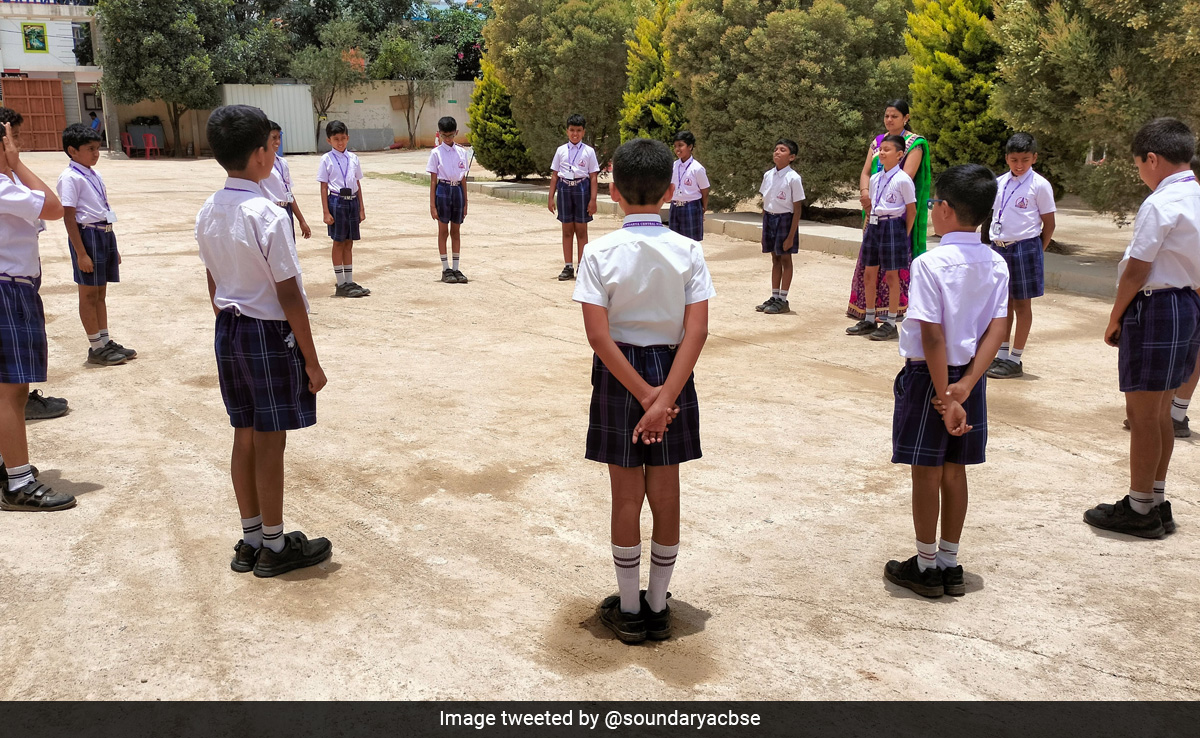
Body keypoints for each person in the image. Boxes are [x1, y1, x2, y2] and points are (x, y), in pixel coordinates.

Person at [573, 137, 715, 643]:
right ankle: (658, 605)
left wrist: (643, 396)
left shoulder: (597, 250)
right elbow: (696, 331)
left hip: (620, 375)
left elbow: (598, 335)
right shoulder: (688, 250)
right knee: (667, 494)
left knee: (626, 497)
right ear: (672, 190)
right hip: (673, 373)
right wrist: (664, 398)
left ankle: (630, 609)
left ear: (612, 190)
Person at [196, 104, 332, 576]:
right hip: (268, 332)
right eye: (271, 145)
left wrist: (229, 314)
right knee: (271, 440)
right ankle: (274, 545)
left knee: (244, 434)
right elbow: (290, 294)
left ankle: (251, 537)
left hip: (229, 328)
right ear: (259, 155)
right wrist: (312, 362)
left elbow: (212, 282)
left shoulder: (209, 209)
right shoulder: (267, 215)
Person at [884, 164, 1007, 598]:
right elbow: (997, 328)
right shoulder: (995, 261)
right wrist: (968, 385)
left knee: (927, 472)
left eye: (934, 203)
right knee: (956, 471)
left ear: (948, 211)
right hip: (971, 379)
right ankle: (951, 563)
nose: (932, 209)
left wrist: (943, 394)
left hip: (929, 380)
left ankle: (925, 565)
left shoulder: (929, 263)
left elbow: (932, 334)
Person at [1085, 118, 1200, 540]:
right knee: (1162, 413)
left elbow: (1137, 268)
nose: (1140, 173)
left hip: (1156, 307)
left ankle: (1139, 509)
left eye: (1138, 165)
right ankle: (1156, 499)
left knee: (1141, 416)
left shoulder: (1161, 202)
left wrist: (1115, 316)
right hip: (1186, 303)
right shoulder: (1195, 194)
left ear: (1152, 159)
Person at [0, 108, 75, 512]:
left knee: (8, 390)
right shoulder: (4, 185)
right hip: (7, 291)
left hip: (13, 288)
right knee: (11, 392)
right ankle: (18, 482)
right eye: (11, 137)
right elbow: (53, 207)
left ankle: (7, 465)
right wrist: (17, 163)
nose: (18, 143)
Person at [57, 122, 137, 366]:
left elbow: (103, 207)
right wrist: (82, 253)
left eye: (97, 148)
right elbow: (69, 217)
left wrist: (114, 245)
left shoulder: (93, 173)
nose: (96, 154)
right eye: (90, 148)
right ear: (73, 151)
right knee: (89, 293)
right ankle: (95, 347)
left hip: (104, 234)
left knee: (101, 292)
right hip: (87, 236)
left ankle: (104, 341)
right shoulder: (70, 178)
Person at [847, 100, 932, 321]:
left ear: (906, 118)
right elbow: (866, 172)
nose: (889, 120)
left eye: (894, 116)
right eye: (886, 116)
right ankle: (867, 312)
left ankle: (893, 314)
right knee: (870, 267)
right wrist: (865, 193)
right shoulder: (877, 142)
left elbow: (907, 178)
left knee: (893, 268)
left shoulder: (915, 143)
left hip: (896, 213)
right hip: (874, 210)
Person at [985, 133, 1057, 379]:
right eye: (1014, 159)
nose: (1019, 165)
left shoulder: (1039, 185)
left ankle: (1016, 358)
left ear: (1034, 158)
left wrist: (1038, 248)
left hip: (1025, 246)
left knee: (1022, 304)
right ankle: (1001, 354)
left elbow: (1049, 223)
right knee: (1003, 303)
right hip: (999, 246)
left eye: (1025, 159)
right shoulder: (1000, 182)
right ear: (1006, 158)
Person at [846, 134, 917, 340]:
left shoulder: (903, 179)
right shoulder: (876, 179)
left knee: (892, 276)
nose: (882, 153)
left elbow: (911, 211)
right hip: (874, 225)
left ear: (900, 154)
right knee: (869, 273)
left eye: (887, 149)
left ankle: (890, 321)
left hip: (893, 226)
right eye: (881, 149)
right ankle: (869, 318)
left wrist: (904, 235)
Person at [317, 120, 369, 298]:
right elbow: (323, 186)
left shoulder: (353, 158)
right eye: (336, 139)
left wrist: (361, 207)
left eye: (343, 138)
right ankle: (340, 283)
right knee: (338, 241)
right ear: (329, 140)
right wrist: (326, 211)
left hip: (352, 201)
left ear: (348, 138)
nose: (340, 142)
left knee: (349, 242)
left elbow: (357, 183)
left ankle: (349, 280)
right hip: (336, 202)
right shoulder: (326, 159)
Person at [755, 138, 805, 315]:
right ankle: (774, 296)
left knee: (785, 259)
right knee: (774, 258)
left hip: (785, 220)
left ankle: (783, 299)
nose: (777, 152)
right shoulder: (768, 175)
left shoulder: (793, 178)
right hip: (770, 218)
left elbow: (797, 208)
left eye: (782, 150)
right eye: (776, 149)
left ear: (791, 157)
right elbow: (765, 200)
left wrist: (791, 235)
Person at [549, 114, 599, 281]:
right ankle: (568, 266)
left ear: (583, 132)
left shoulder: (589, 151)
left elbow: (593, 176)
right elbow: (555, 175)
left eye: (578, 130)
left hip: (582, 188)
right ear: (567, 131)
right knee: (567, 229)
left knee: (581, 229)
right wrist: (551, 197)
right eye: (572, 130)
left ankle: (582, 266)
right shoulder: (561, 150)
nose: (575, 134)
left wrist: (593, 199)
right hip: (564, 188)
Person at [427, 116, 470, 284]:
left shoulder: (462, 152)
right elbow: (432, 181)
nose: (448, 139)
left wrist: (466, 202)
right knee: (443, 230)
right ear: (439, 134)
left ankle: (456, 267)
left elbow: (464, 179)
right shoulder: (436, 153)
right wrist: (432, 205)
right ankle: (446, 268)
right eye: (444, 136)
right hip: (443, 190)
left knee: (456, 231)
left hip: (457, 189)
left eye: (451, 135)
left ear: (456, 133)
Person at [260, 120, 312, 243]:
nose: (277, 142)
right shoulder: (259, 164)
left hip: (286, 210)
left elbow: (289, 193)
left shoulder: (282, 163)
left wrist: (301, 220)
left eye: (279, 137)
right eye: (273, 138)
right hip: (270, 211)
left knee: (289, 248)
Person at [666, 130, 709, 241]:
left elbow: (705, 190)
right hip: (675, 206)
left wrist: (702, 208)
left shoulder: (697, 168)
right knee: (674, 241)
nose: (677, 149)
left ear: (690, 147)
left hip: (691, 206)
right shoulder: (674, 166)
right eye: (675, 146)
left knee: (691, 241)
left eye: (681, 145)